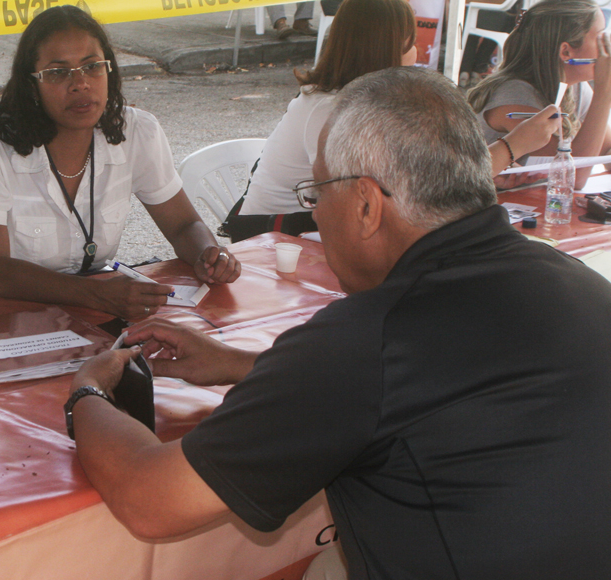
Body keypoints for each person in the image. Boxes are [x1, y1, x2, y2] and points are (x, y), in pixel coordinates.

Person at [65, 67, 611, 578]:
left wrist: (87, 391)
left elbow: (151, 499)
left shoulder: (368, 340)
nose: (316, 215)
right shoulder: (581, 284)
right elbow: (435, 384)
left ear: (368, 205)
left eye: (317, 194)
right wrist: (243, 365)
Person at [0, 6, 240, 321]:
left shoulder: (135, 131)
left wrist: (209, 254)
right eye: (59, 72)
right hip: (4, 318)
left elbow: (183, 225)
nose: (80, 84)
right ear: (32, 85)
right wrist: (96, 294)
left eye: (92, 67)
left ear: (109, 70)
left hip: (92, 313)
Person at [236, 0, 416, 239]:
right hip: (271, 237)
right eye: (410, 42)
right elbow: (352, 197)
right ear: (386, 49)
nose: (417, 51)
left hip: (310, 222)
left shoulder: (358, 99)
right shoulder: (328, 108)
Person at [468, 0, 611, 189]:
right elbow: (572, 178)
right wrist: (605, 92)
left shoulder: (574, 86)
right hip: (488, 210)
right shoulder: (515, 96)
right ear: (566, 51)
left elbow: (606, 147)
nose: (606, 46)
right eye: (600, 37)